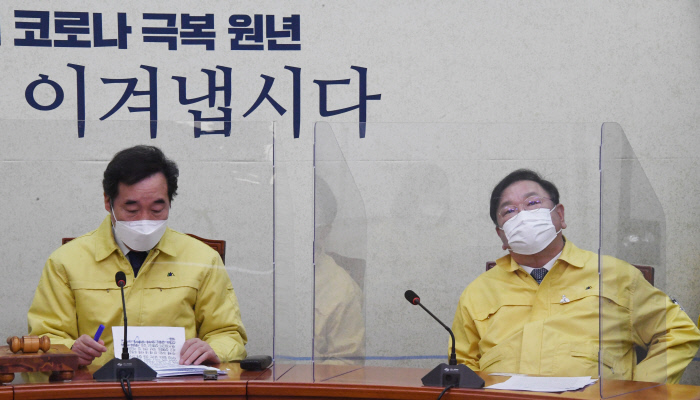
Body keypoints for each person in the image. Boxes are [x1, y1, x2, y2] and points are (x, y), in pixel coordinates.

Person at [451, 169, 700, 383]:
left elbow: (678, 332)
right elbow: (462, 366)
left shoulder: (614, 275)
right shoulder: (478, 292)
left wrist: (638, 392)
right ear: (502, 235)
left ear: (560, 215)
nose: (522, 215)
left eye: (533, 203)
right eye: (509, 211)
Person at [27, 145, 247, 367]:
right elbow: (44, 338)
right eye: (132, 210)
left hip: (176, 384)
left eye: (157, 209)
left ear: (170, 202)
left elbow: (228, 334)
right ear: (108, 202)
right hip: (95, 384)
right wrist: (70, 350)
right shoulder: (66, 262)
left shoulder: (202, 259)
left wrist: (214, 350)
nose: (145, 220)